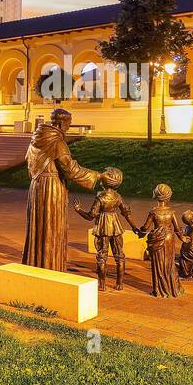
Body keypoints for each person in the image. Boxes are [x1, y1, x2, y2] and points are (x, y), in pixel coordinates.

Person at [22, 107, 98, 272]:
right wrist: (97, 176)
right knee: (51, 226)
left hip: (36, 187)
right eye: (69, 124)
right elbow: (71, 170)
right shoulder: (57, 143)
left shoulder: (37, 138)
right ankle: (51, 266)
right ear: (62, 123)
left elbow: (30, 165)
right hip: (52, 187)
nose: (69, 127)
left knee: (39, 226)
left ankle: (37, 262)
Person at [74, 167, 135, 292]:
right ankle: (120, 284)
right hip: (116, 226)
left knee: (102, 256)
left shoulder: (100, 198)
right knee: (120, 256)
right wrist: (134, 226)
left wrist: (78, 209)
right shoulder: (118, 197)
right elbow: (126, 212)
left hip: (103, 226)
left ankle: (102, 285)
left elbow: (91, 216)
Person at [137, 183, 186, 298]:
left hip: (157, 238)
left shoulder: (153, 212)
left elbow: (146, 227)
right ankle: (173, 288)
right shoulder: (171, 212)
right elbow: (177, 228)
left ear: (155, 195)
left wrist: (140, 232)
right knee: (169, 263)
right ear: (169, 196)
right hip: (169, 237)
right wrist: (182, 238)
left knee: (159, 263)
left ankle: (159, 290)